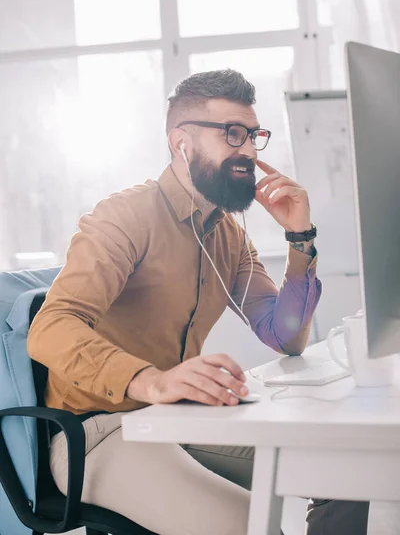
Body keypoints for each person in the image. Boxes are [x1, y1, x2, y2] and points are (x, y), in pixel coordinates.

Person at [28, 69, 369, 535]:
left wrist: (299, 237)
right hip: (95, 434)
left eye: (254, 135)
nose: (248, 150)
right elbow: (50, 328)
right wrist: (152, 382)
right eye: (232, 134)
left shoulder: (228, 234)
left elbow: (285, 335)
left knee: (349, 472)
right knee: (252, 528)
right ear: (181, 143)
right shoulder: (124, 217)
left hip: (176, 420)